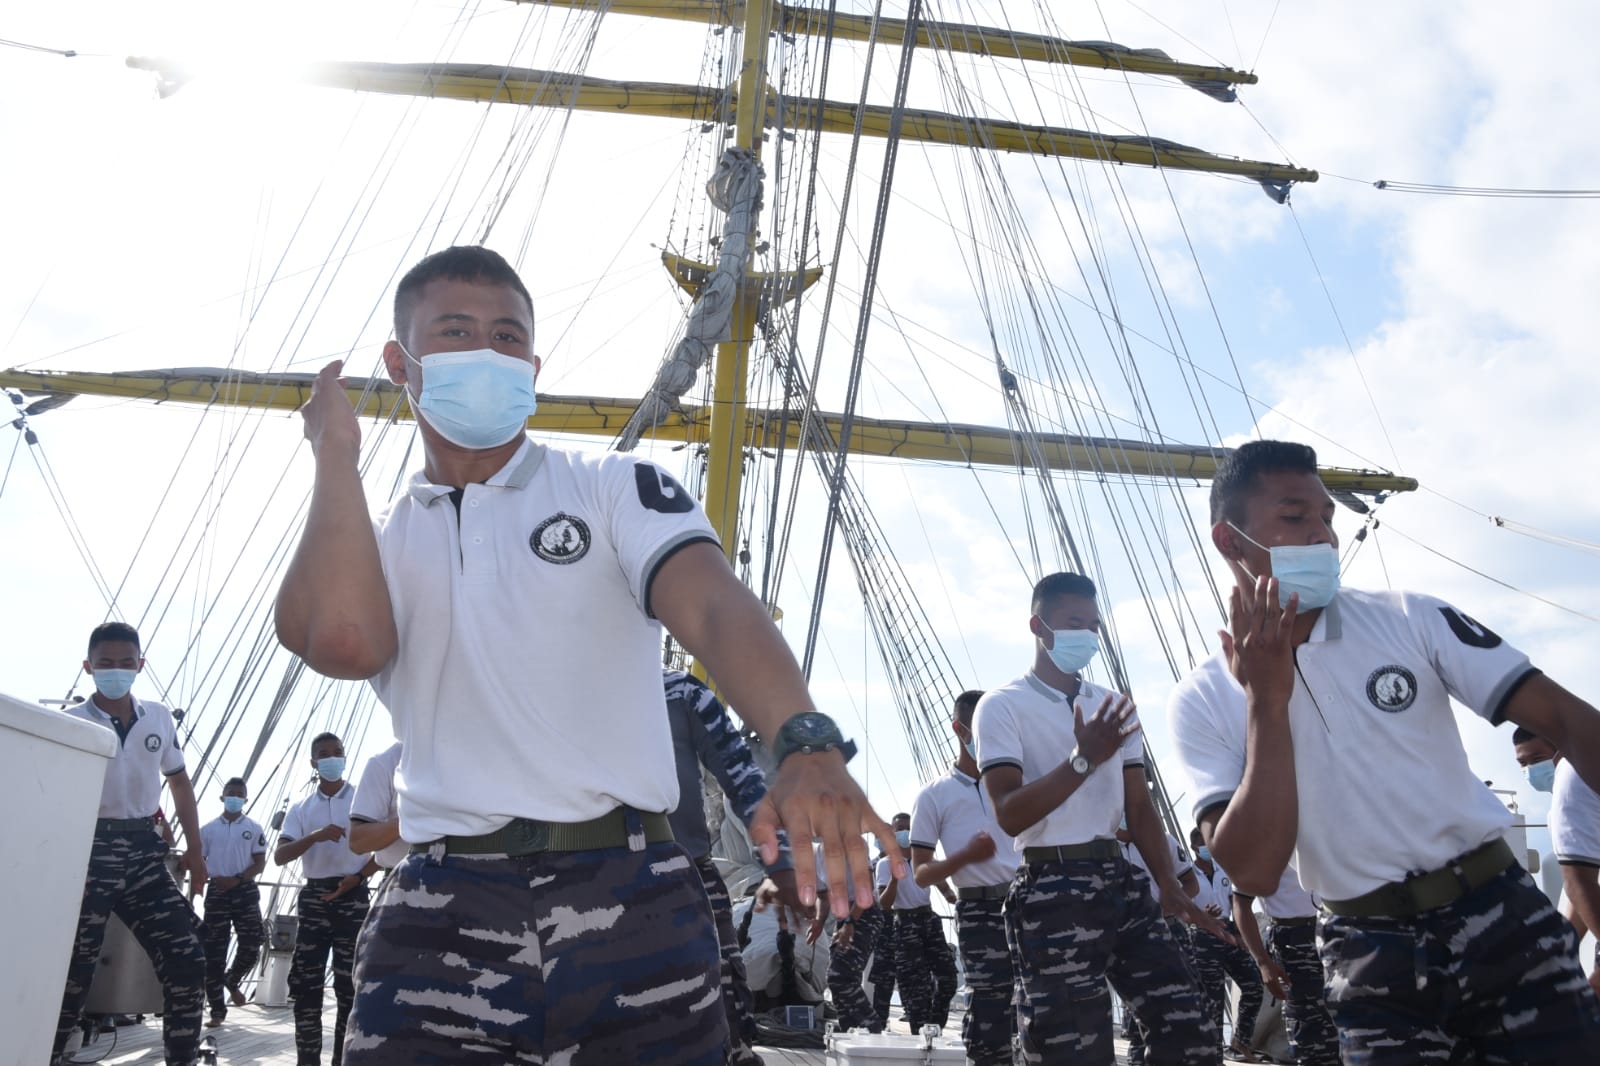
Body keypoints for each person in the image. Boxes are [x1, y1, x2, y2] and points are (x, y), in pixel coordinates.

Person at [273, 245, 898, 1063]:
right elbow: (342, 641)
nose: (486, 355)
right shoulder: (382, 541)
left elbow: (710, 603)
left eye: (507, 338)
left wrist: (804, 739)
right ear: (402, 361)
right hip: (442, 907)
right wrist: (335, 458)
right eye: (456, 333)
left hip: (630, 893)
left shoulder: (612, 489)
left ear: (533, 364)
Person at [1169, 439, 1600, 1064]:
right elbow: (1255, 872)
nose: (1322, 536)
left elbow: (1566, 718)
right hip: (1368, 948)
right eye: (1295, 518)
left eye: (1327, 519)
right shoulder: (1204, 699)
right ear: (1230, 540)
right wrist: (1266, 701)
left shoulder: (1412, 619)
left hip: (1501, 915)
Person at [975, 572, 1223, 1065]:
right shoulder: (1001, 707)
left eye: (1093, 625)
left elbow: (1139, 804)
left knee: (1190, 1031)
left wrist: (1168, 883)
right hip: (1051, 886)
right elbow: (1008, 814)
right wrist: (1082, 759)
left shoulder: (1113, 706)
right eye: (1073, 623)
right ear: (1038, 626)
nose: (1086, 636)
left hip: (1120, 880)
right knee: (1072, 1049)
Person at [52, 622, 208, 1066]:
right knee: (73, 972)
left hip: (145, 856)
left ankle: (182, 1058)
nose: (115, 671)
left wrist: (195, 852)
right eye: (105, 664)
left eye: (125, 663)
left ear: (140, 665)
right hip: (90, 854)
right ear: (88, 667)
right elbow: (59, 799)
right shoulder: (72, 724)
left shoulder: (157, 717)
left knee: (185, 959)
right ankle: (49, 1053)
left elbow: (179, 782)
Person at [664, 669, 804, 1066]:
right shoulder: (568, 691)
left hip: (690, 875)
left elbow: (745, 783)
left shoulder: (681, 693)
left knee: (727, 1009)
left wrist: (783, 869)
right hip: (603, 878)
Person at [908, 689, 1023, 1063]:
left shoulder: (1016, 786)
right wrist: (965, 856)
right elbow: (922, 873)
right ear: (960, 730)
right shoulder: (934, 797)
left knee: (1039, 1006)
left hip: (1025, 904)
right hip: (979, 911)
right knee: (989, 1009)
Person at [273, 732, 378, 1066]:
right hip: (315, 897)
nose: (332, 758)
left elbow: (389, 844)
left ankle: (342, 1060)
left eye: (338, 752)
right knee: (307, 986)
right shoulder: (302, 808)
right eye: (324, 753)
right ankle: (308, 1060)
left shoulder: (364, 799)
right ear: (314, 763)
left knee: (350, 987)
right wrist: (316, 836)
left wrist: (360, 876)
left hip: (354, 893)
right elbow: (279, 855)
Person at [1515, 727, 1600, 999]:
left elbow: (1578, 885)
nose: (1531, 770)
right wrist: (1566, 946)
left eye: (1537, 758)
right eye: (1523, 764)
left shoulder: (1569, 782)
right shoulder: (1581, 778)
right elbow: (1580, 883)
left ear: (1560, 749)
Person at [1229, 865, 1338, 1066]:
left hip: (1337, 930)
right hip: (1294, 944)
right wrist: (1262, 962)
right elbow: (1241, 905)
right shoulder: (1258, 844)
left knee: (1351, 1015)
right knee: (1310, 1030)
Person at [1114, 822, 1201, 1066]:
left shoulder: (1163, 840)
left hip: (1170, 930)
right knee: (1140, 1024)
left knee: (1187, 1012)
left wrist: (1170, 904)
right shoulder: (1100, 845)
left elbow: (1191, 884)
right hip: (1127, 939)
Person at [1185, 827, 1264, 1062]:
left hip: (1228, 932)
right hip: (1202, 935)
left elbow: (1236, 902)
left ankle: (1241, 1041)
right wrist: (1202, 915)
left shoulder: (1224, 870)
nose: (1207, 847)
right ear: (1194, 847)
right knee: (1213, 999)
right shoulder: (1187, 873)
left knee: (1254, 985)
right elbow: (1179, 905)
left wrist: (1240, 934)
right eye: (1202, 843)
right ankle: (1214, 1055)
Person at [878, 812, 959, 1034]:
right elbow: (884, 904)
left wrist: (949, 894)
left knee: (948, 978)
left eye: (908, 828)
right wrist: (895, 878)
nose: (905, 832)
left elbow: (942, 884)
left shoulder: (923, 859)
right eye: (900, 829)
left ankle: (934, 1025)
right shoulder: (884, 865)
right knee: (916, 988)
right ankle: (921, 1031)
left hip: (928, 920)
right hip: (905, 923)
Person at [198, 777, 267, 1027]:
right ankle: (217, 1010)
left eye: (240, 794)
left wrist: (238, 879)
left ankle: (233, 978)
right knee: (213, 951)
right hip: (217, 891)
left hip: (244, 890)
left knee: (253, 942)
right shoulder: (207, 829)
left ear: (245, 799)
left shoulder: (254, 828)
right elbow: (198, 859)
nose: (235, 797)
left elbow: (260, 862)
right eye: (231, 793)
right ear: (222, 797)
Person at [347, 741, 409, 873]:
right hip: (405, 880)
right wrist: (416, 818)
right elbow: (358, 842)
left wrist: (360, 877)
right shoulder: (386, 762)